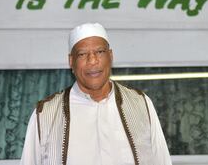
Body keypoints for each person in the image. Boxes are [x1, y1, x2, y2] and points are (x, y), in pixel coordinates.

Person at [20, 23, 172, 165]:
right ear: (71, 61)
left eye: (99, 52)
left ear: (110, 56)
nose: (92, 61)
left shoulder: (140, 103)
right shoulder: (45, 114)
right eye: (82, 54)